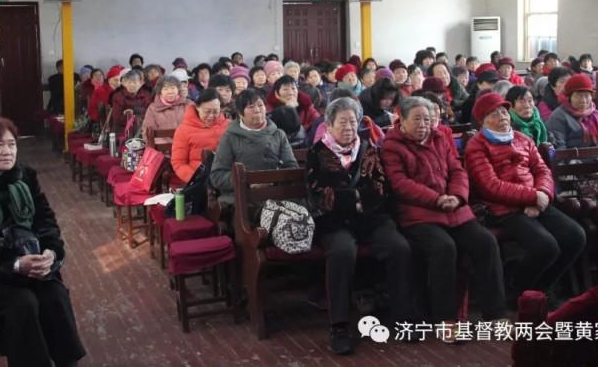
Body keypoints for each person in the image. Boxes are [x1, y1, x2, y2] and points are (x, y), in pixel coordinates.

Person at [0, 117, 85, 367]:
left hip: (33, 268)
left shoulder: (25, 177)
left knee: (54, 295)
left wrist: (51, 253)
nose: (7, 151)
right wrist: (16, 264)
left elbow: (46, 221)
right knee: (23, 303)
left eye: (11, 144)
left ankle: (68, 363)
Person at [381, 97, 505, 333]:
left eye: (427, 119)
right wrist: (436, 199)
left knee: (485, 242)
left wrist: (456, 197)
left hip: (454, 209)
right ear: (402, 121)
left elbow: (457, 170)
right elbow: (400, 183)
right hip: (418, 214)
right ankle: (445, 319)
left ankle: (495, 313)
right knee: (444, 247)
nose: (423, 124)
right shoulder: (392, 145)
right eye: (416, 119)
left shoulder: (440, 138)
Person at [306, 98, 413, 354]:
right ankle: (339, 325)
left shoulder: (368, 149)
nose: (348, 127)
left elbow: (380, 189)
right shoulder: (317, 153)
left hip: (371, 219)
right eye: (342, 122)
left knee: (399, 247)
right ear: (329, 125)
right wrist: (357, 199)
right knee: (342, 252)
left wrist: (351, 198)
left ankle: (403, 317)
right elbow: (322, 195)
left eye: (353, 122)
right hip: (333, 223)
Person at [465, 93, 586, 305]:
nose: (502, 117)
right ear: (482, 121)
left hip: (537, 201)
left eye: (504, 112)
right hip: (503, 209)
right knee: (546, 246)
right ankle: (517, 288)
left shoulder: (522, 139)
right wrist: (531, 197)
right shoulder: (477, 145)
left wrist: (543, 195)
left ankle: (540, 289)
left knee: (575, 236)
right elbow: (490, 186)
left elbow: (542, 170)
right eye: (494, 114)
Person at [210, 89, 299, 205]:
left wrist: (273, 181)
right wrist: (247, 181)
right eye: (251, 107)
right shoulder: (230, 137)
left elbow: (292, 167)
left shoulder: (278, 134)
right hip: (243, 196)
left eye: (260, 105)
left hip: (277, 194)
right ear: (240, 113)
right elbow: (217, 176)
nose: (257, 110)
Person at [170, 89, 228, 184]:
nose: (211, 116)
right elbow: (178, 163)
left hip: (225, 179)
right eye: (207, 111)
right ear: (197, 107)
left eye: (215, 112)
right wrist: (195, 179)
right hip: (199, 180)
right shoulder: (184, 130)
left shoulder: (228, 126)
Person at [546, 74, 598, 149]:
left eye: (587, 96)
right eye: (578, 96)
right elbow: (559, 148)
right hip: (573, 158)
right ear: (569, 97)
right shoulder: (558, 117)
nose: (583, 100)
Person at [142, 75, 190, 145]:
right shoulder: (153, 108)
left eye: (173, 88)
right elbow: (147, 133)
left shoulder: (188, 104)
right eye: (165, 89)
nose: (170, 92)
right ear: (160, 92)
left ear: (178, 89)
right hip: (162, 150)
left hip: (186, 146)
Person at [111, 68, 151, 136]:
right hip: (123, 130)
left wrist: (134, 111)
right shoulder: (118, 96)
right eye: (129, 82)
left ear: (141, 83)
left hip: (142, 129)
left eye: (135, 82)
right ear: (124, 83)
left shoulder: (146, 95)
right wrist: (129, 116)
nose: (132, 85)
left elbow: (150, 113)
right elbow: (117, 118)